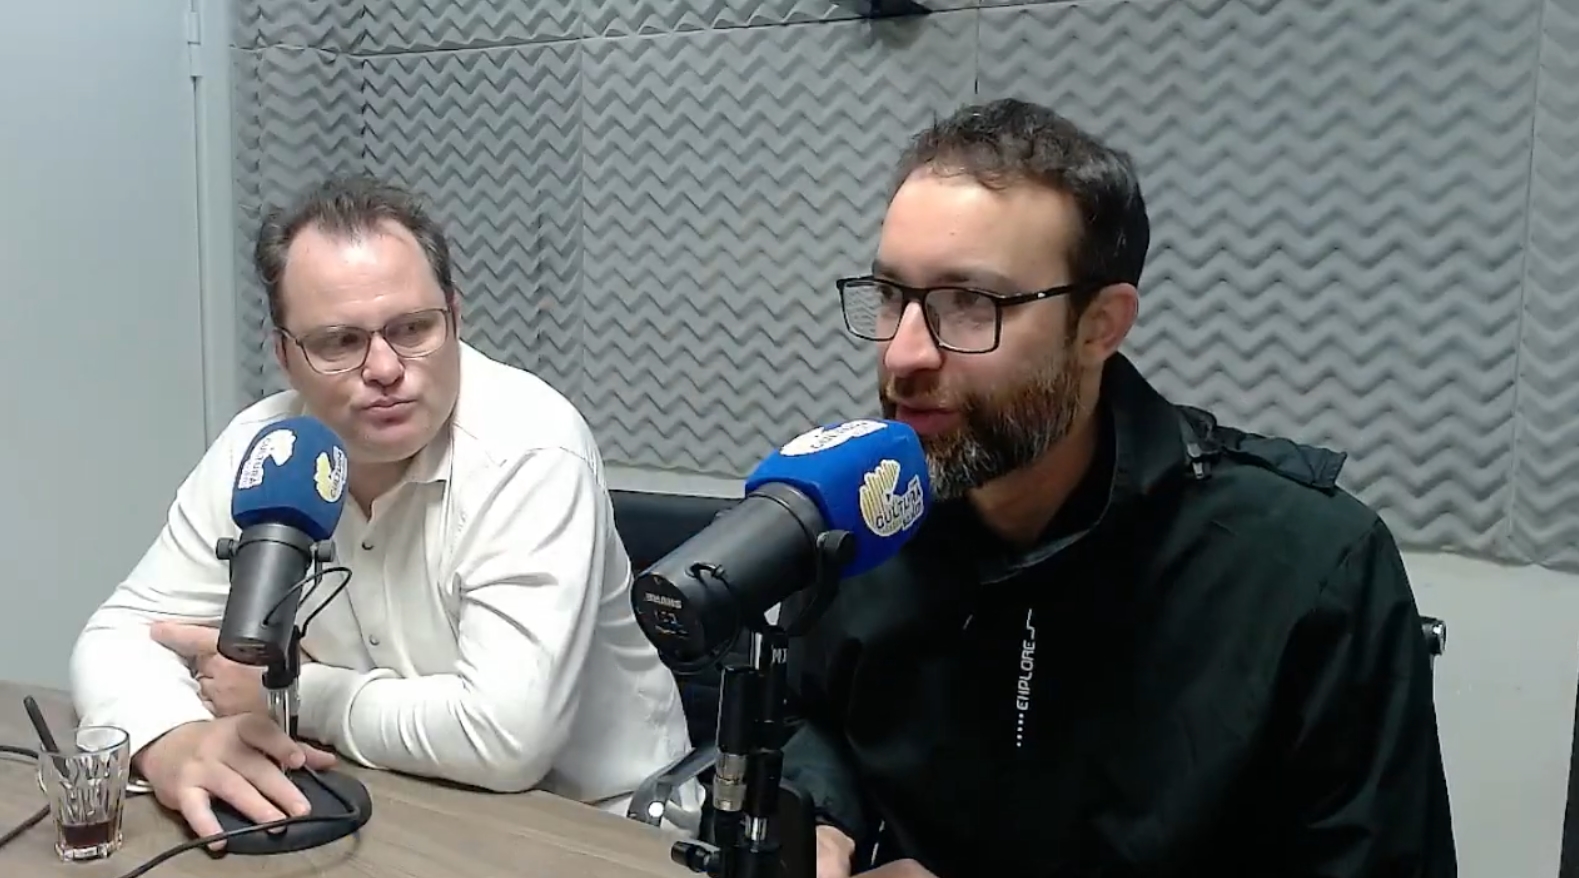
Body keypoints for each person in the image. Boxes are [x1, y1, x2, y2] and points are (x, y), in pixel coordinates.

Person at [781, 98, 1458, 877]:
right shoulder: (869, 514)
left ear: (1100, 326)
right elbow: (813, 716)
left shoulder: (1308, 572)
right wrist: (818, 815)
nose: (903, 355)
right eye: (891, 295)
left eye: (969, 305)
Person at [69, 175, 693, 844]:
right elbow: (118, 636)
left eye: (413, 329)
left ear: (455, 318)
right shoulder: (266, 449)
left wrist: (293, 695)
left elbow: (506, 738)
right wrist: (171, 738)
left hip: (596, 821)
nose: (386, 368)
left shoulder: (530, 447)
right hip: (391, 800)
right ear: (285, 356)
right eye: (340, 342)